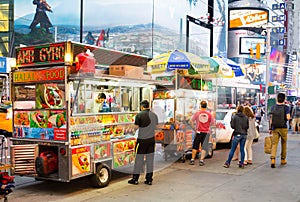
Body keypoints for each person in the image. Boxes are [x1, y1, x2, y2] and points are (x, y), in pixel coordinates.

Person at [128, 100, 158, 185]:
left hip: (142, 141)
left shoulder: (139, 115)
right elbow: (156, 127)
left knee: (139, 159)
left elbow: (136, 127)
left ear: (142, 106)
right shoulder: (154, 115)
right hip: (151, 140)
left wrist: (130, 128)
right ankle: (149, 179)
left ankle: (135, 179)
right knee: (150, 160)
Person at [189, 100, 214, 166]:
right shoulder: (209, 114)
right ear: (206, 106)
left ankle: (192, 159)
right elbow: (213, 123)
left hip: (198, 132)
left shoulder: (197, 113)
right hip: (206, 132)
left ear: (200, 106)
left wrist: (194, 128)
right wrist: (208, 126)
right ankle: (201, 160)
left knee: (195, 146)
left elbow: (191, 121)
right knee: (204, 146)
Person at [269, 93, 290, 168]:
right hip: (283, 127)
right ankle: (283, 159)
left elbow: (271, 119)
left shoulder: (273, 107)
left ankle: (273, 159)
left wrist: (270, 128)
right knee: (283, 143)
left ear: (277, 98)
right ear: (284, 99)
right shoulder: (286, 107)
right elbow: (288, 117)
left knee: (274, 144)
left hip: (275, 128)